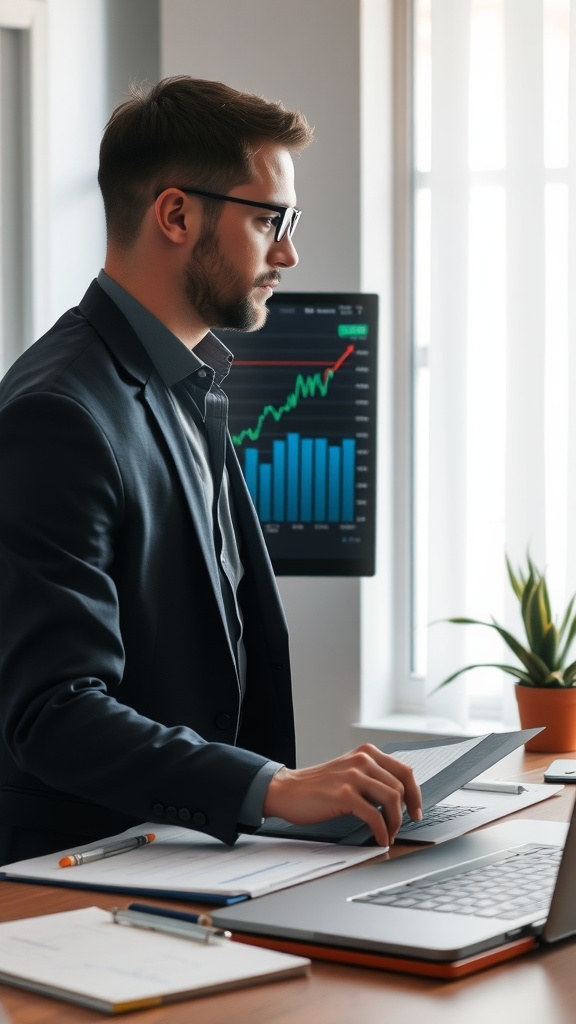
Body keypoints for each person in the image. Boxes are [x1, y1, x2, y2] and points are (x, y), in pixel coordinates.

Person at [0, 76, 421, 862]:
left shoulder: (187, 383)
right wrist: (269, 787)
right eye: (270, 220)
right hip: (83, 890)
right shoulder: (56, 414)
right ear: (176, 213)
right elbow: (51, 711)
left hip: (195, 868)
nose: (289, 252)